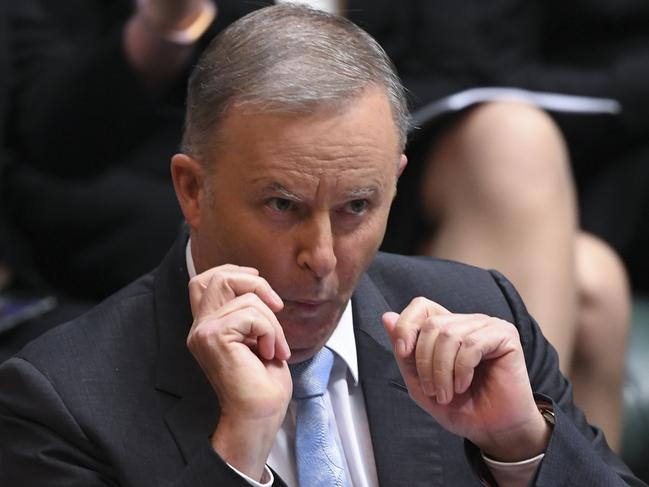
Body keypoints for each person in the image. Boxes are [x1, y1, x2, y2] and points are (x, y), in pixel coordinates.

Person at [0, 5, 643, 486]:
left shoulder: (484, 312)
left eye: (356, 207)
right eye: (283, 206)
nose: (324, 258)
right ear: (192, 190)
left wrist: (519, 446)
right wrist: (239, 448)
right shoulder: (59, 400)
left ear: (396, 181)